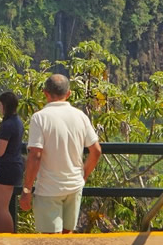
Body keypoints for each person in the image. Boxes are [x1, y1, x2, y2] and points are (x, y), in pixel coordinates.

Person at [19, 74, 102, 234]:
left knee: (50, 240)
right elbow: (96, 151)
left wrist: (27, 190)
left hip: (48, 188)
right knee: (67, 236)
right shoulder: (80, 116)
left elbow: (35, 155)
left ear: (45, 93)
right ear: (68, 93)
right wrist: (83, 175)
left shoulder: (40, 118)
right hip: (74, 186)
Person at [0, 91, 24, 233]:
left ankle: (8, 236)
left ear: (5, 105)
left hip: (8, 168)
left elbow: (0, 151)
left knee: (1, 206)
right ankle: (1, 235)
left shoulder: (8, 124)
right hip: (12, 167)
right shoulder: (16, 121)